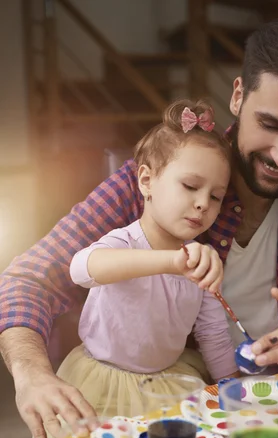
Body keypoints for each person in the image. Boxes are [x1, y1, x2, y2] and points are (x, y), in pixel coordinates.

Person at [0, 14, 278, 438]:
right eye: (270, 125)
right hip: (190, 411)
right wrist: (33, 376)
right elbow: (31, 277)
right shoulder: (165, 178)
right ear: (238, 95)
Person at [57, 98, 238, 421]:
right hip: (102, 381)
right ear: (146, 181)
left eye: (215, 196)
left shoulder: (201, 261)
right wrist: (169, 262)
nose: (202, 204)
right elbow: (81, 269)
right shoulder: (125, 241)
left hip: (167, 379)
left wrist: (233, 388)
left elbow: (213, 335)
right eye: (191, 186)